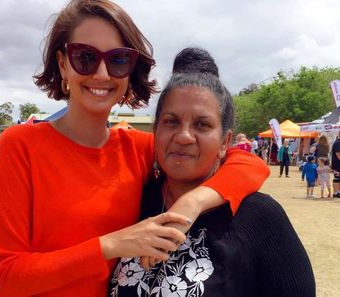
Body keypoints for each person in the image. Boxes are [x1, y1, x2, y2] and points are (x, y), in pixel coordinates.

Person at [0, 1, 269, 296]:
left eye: (118, 60)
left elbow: (248, 164)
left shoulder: (139, 149)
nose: (102, 73)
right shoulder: (20, 146)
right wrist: (111, 245)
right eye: (85, 57)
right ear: (62, 63)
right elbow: (7, 279)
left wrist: (192, 202)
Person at [109, 47, 315, 296]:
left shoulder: (259, 217)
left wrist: (194, 201)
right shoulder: (138, 199)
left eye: (202, 124)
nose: (183, 136)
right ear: (156, 130)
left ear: (225, 142)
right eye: (171, 121)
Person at [331, 132, 340, 198]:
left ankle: (338, 192)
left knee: (338, 178)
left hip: (337, 163)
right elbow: (338, 154)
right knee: (337, 178)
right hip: (337, 164)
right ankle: (335, 193)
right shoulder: (338, 143)